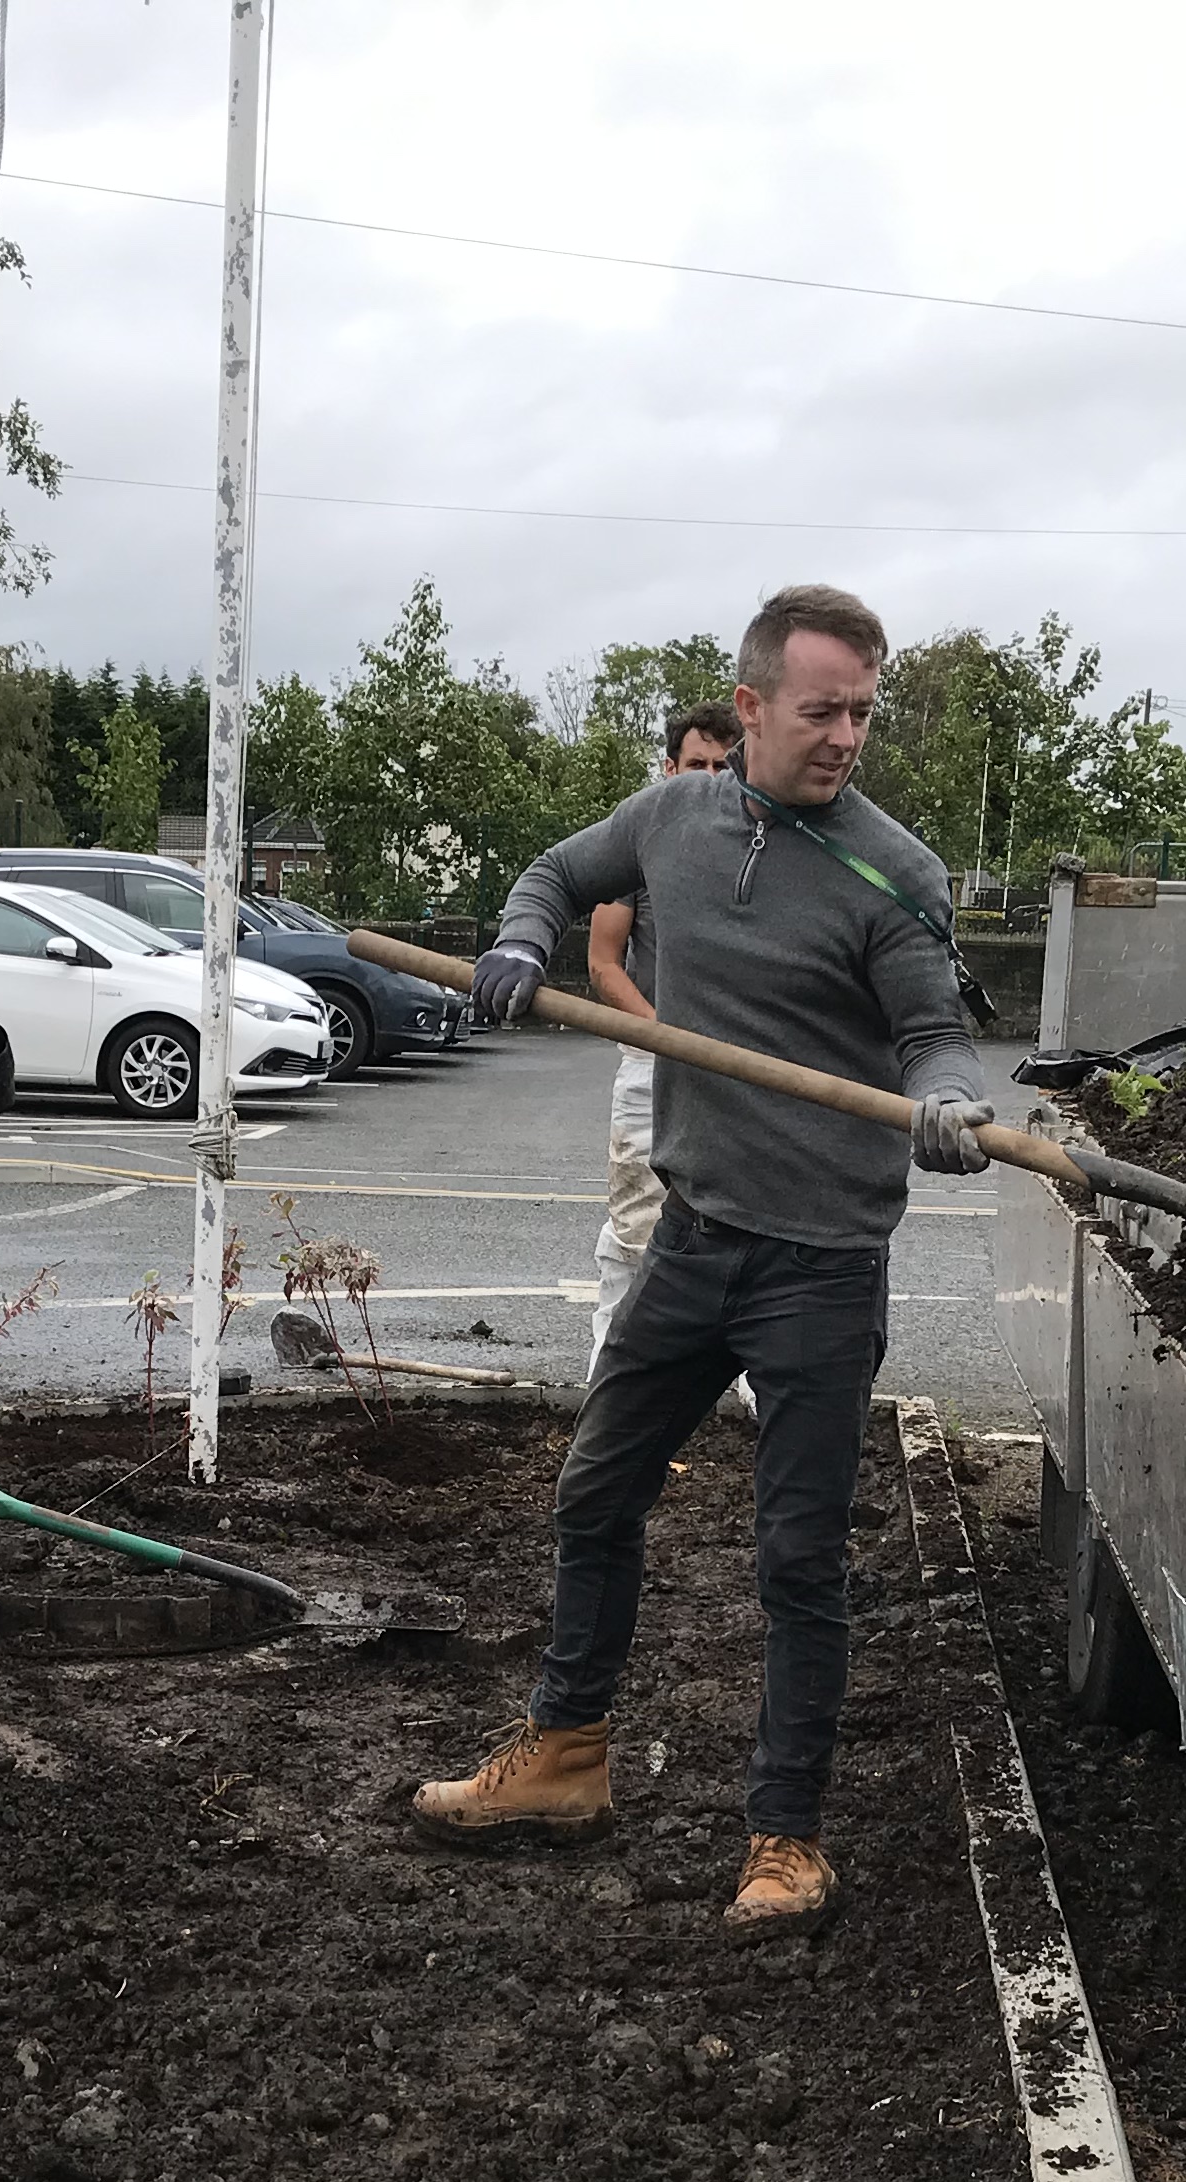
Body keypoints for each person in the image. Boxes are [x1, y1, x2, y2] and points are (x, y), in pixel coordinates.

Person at [411, 583, 993, 1938]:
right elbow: (559, 877)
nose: (847, 734)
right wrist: (514, 938)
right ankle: (565, 1755)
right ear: (749, 707)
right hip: (695, 1234)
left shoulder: (892, 870)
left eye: (864, 710)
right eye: (821, 709)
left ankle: (786, 1838)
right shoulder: (675, 819)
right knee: (597, 1489)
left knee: (798, 1558)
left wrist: (954, 1105)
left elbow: (932, 1039)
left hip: (822, 1265)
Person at [583, 698, 745, 1388]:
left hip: (745, 1075)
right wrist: (663, 1035)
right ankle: (610, 1390)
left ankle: (748, 1398)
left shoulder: (760, 846)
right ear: (670, 767)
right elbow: (602, 964)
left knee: (748, 1231)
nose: (709, 777)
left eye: (723, 765)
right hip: (653, 1067)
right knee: (635, 1236)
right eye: (696, 764)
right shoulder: (638, 848)